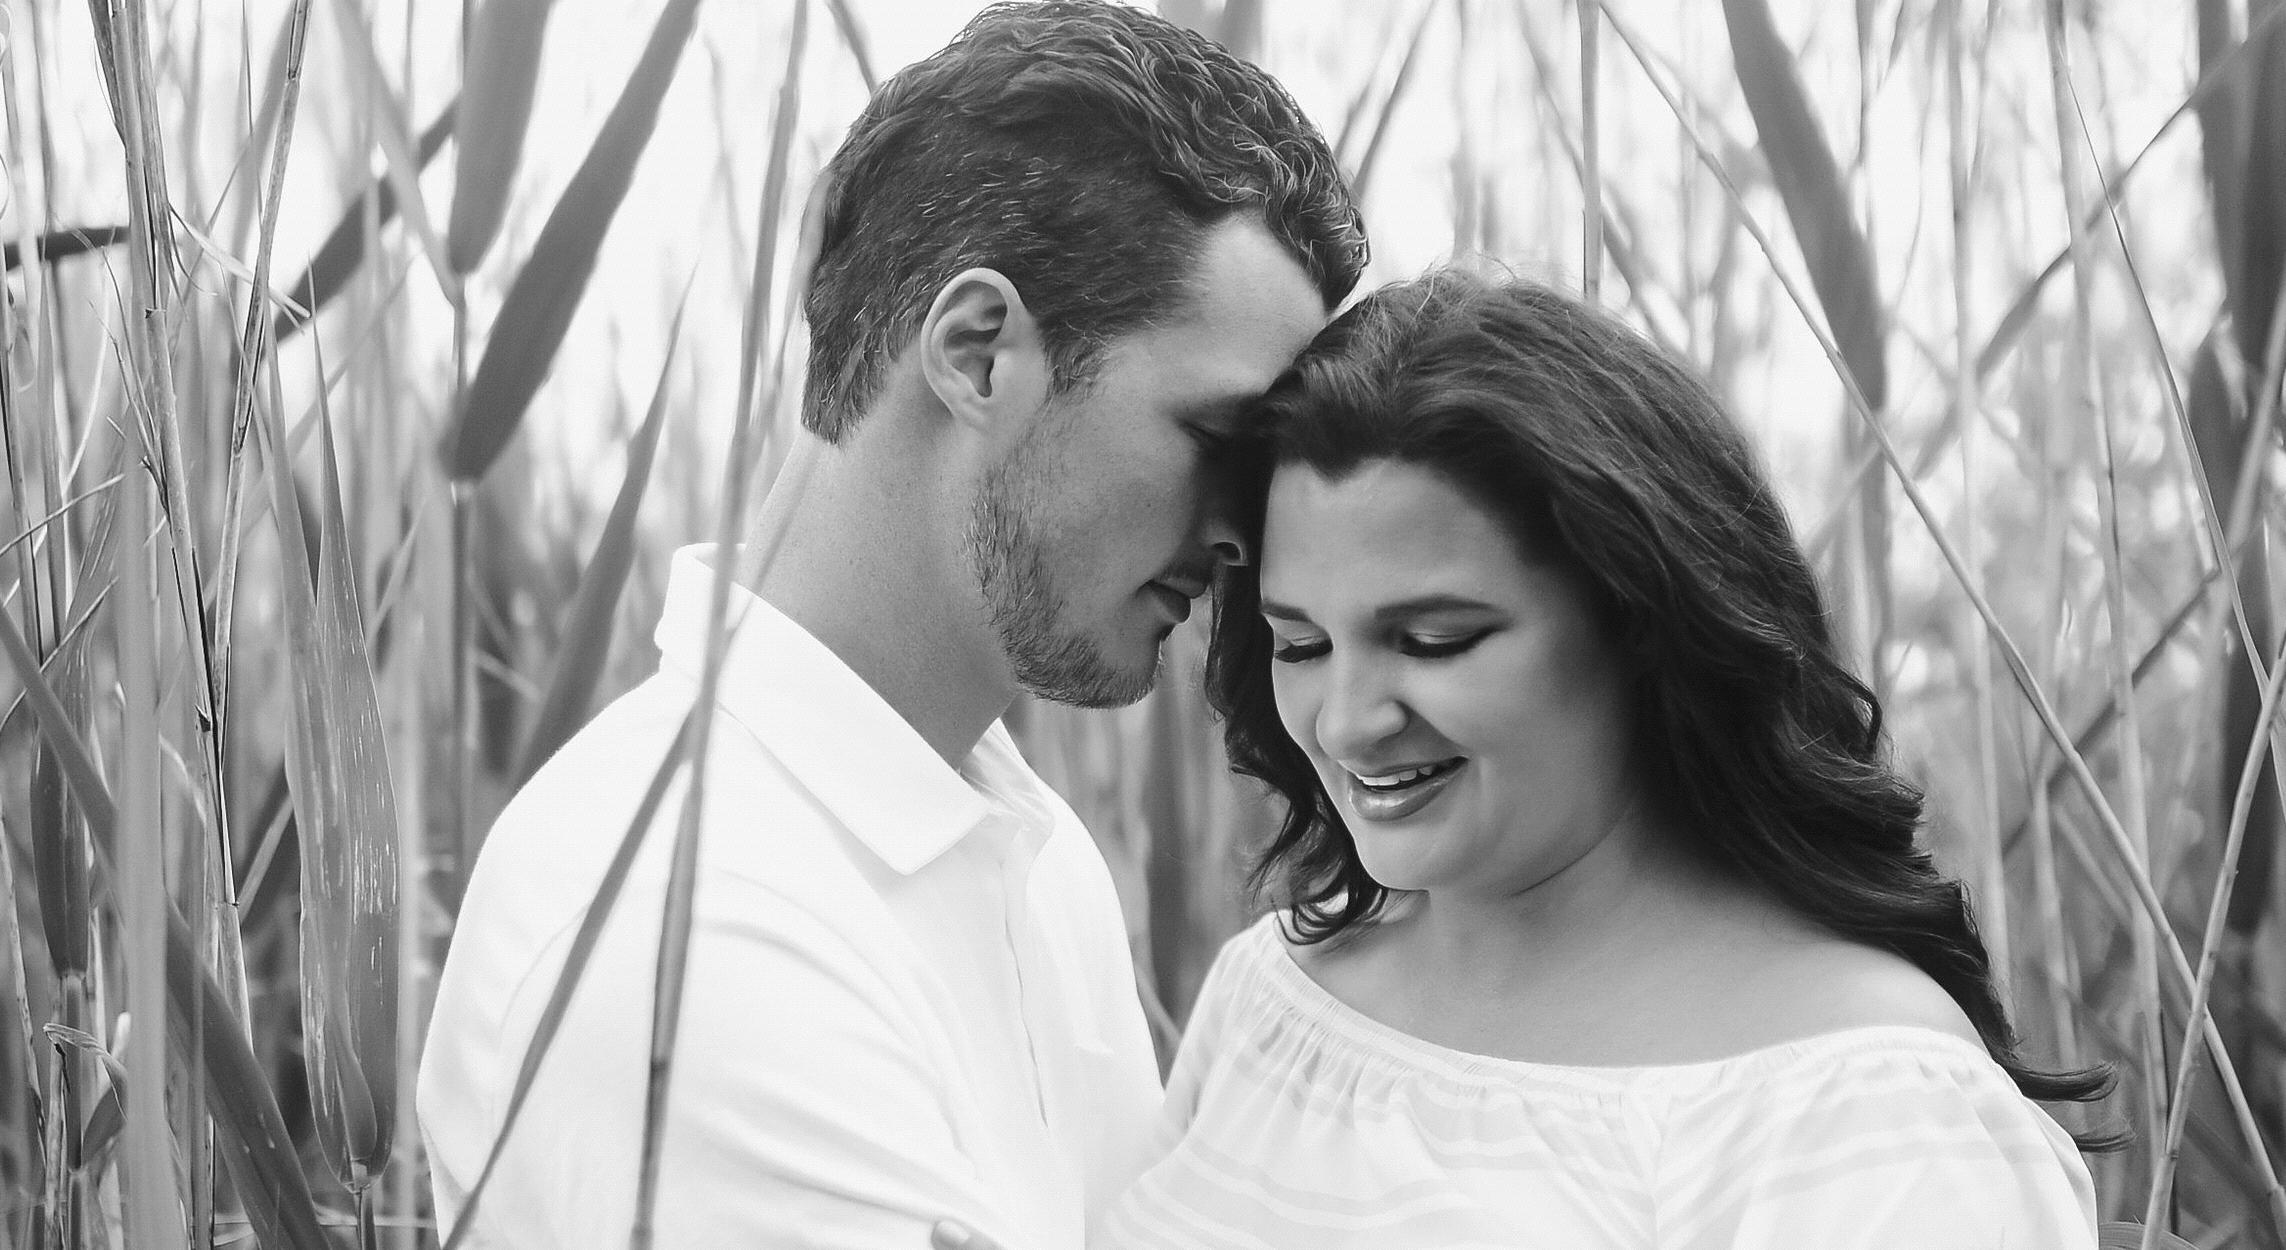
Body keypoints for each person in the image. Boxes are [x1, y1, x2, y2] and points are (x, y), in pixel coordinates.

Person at [417, 4, 1367, 1246]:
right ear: (977, 353)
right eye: (1217, 440)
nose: (1246, 533)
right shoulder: (684, 920)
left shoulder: (1035, 854)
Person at [941, 270, 2111, 1250]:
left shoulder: (1867, 1104)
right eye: (1301, 643)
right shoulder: (1277, 992)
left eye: (1434, 640)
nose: (1347, 720)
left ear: (1639, 622)